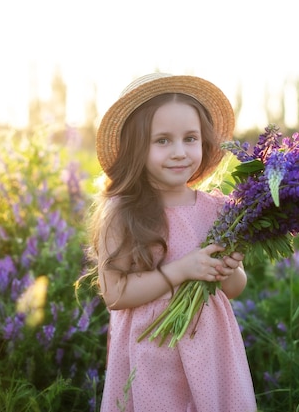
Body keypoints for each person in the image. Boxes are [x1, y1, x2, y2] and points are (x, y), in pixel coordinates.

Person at [86, 73, 257, 412]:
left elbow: (233, 289)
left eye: (190, 138)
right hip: (152, 350)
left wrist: (230, 268)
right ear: (136, 147)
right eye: (162, 140)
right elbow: (115, 294)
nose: (180, 152)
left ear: (204, 142)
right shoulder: (123, 212)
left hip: (211, 348)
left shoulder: (219, 209)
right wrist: (181, 270)